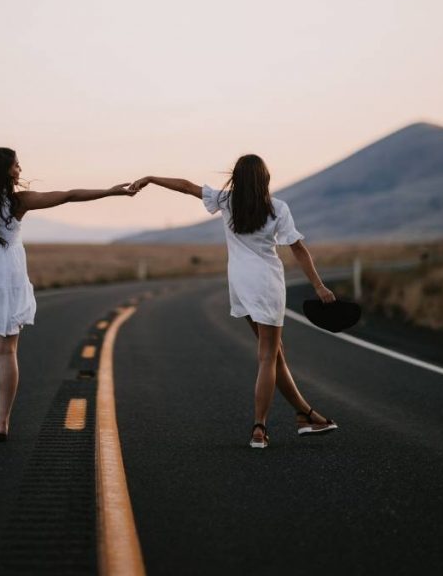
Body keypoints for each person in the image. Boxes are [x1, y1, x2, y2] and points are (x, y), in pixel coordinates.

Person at [129, 154, 338, 448]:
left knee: (275, 353)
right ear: (264, 179)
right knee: (268, 355)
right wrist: (319, 286)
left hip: (240, 284)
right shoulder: (277, 208)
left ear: (237, 179)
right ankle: (259, 428)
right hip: (266, 284)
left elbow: (186, 186)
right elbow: (299, 249)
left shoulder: (227, 202)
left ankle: (306, 415)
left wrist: (151, 177)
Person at [0, 146, 137, 441]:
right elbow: (68, 195)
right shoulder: (18, 201)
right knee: (7, 350)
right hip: (6, 276)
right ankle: (4, 422)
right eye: (16, 165)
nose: (20, 170)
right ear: (6, 169)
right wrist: (110, 191)